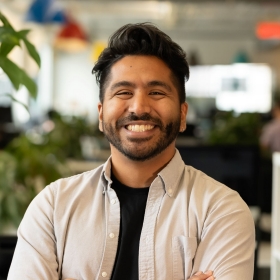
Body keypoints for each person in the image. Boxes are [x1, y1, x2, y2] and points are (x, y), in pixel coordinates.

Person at [8, 23, 255, 280]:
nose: (139, 107)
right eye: (124, 92)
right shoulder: (53, 207)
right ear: (101, 114)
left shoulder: (221, 210)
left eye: (157, 92)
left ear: (183, 115)